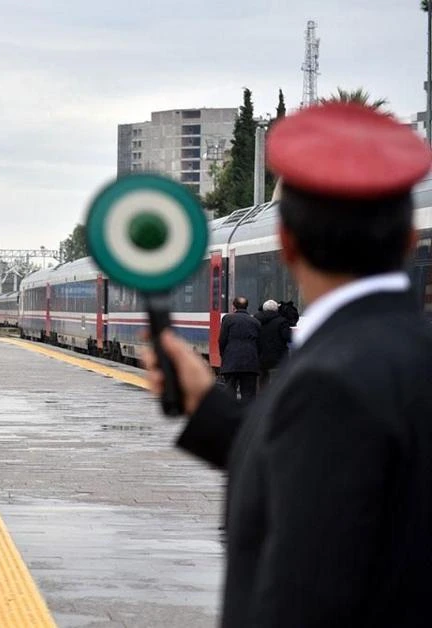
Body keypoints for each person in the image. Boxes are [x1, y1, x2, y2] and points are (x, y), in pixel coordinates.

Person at [144, 102, 432, 626]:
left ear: (287, 243)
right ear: (409, 242)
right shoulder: (402, 354)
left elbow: (304, 597)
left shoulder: (332, 382)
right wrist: (207, 408)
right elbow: (346, 477)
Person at [217, 296, 260, 399]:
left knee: (229, 392)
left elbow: (222, 340)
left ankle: (231, 413)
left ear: (233, 307)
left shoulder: (228, 319)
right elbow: (259, 343)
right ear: (247, 307)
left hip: (231, 361)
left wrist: (224, 356)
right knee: (248, 394)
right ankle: (247, 414)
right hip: (250, 362)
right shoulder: (255, 322)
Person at [254, 299, 291, 388]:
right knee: (279, 382)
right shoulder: (282, 321)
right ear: (276, 309)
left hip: (261, 356)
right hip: (278, 357)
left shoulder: (256, 320)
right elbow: (288, 337)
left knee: (262, 380)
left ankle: (262, 399)